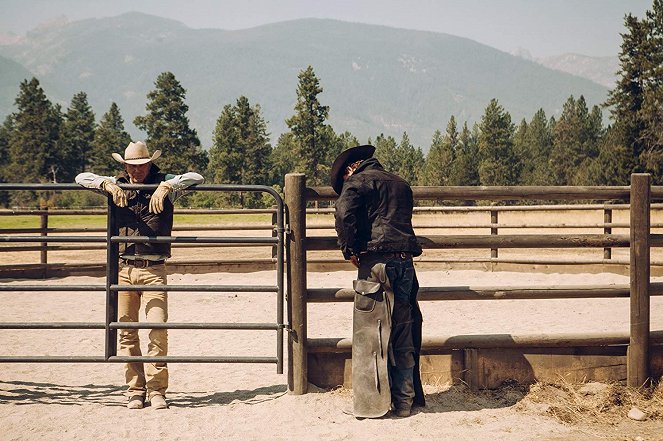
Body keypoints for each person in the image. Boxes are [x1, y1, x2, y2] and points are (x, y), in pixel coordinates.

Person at [76, 141, 204, 410]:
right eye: (131, 166)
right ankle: (136, 389)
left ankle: (157, 390)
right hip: (123, 269)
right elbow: (81, 177)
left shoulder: (165, 182)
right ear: (124, 166)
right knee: (127, 332)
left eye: (142, 165)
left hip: (154, 268)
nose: (137, 171)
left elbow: (196, 177)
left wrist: (167, 186)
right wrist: (106, 185)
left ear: (150, 163)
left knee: (158, 330)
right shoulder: (116, 182)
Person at [330, 144, 425, 418]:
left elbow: (344, 214)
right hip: (405, 264)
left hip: (375, 264)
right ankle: (404, 402)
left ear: (350, 168)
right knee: (404, 332)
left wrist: (349, 250)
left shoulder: (357, 182)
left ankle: (372, 405)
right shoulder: (401, 184)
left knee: (370, 334)